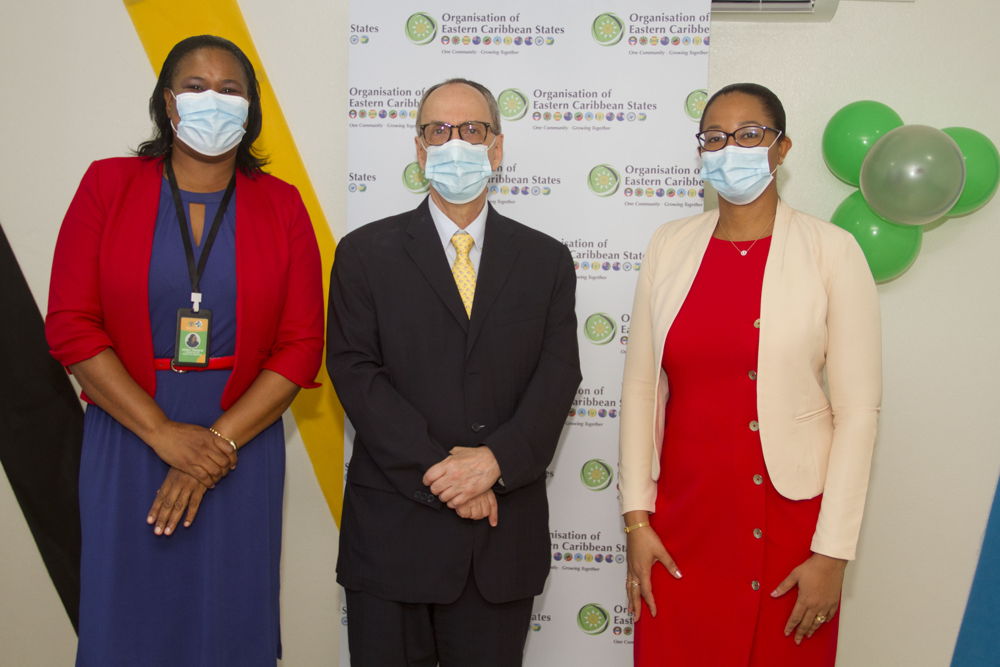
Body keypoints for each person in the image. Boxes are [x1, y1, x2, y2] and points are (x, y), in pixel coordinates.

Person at [45, 35, 324, 666]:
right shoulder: (107, 184)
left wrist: (216, 443)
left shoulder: (280, 204)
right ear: (168, 104)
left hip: (242, 441)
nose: (213, 100)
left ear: (251, 110)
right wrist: (164, 433)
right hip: (128, 430)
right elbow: (71, 325)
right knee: (128, 621)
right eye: (195, 87)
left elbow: (302, 347)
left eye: (231, 90)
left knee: (229, 620)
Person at [618, 83, 881, 666]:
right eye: (714, 137)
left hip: (792, 528)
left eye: (749, 135)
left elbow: (859, 413)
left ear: (782, 149)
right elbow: (640, 390)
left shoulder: (832, 251)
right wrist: (637, 521)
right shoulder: (669, 245)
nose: (729, 148)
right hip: (682, 523)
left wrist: (832, 554)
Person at [327, 77, 581, 667]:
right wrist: (447, 475)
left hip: (498, 541)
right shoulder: (364, 254)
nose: (455, 143)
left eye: (472, 129)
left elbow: (557, 375)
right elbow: (355, 373)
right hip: (392, 537)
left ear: (497, 147)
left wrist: (494, 464)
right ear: (418, 151)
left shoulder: (546, 259)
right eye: (438, 130)